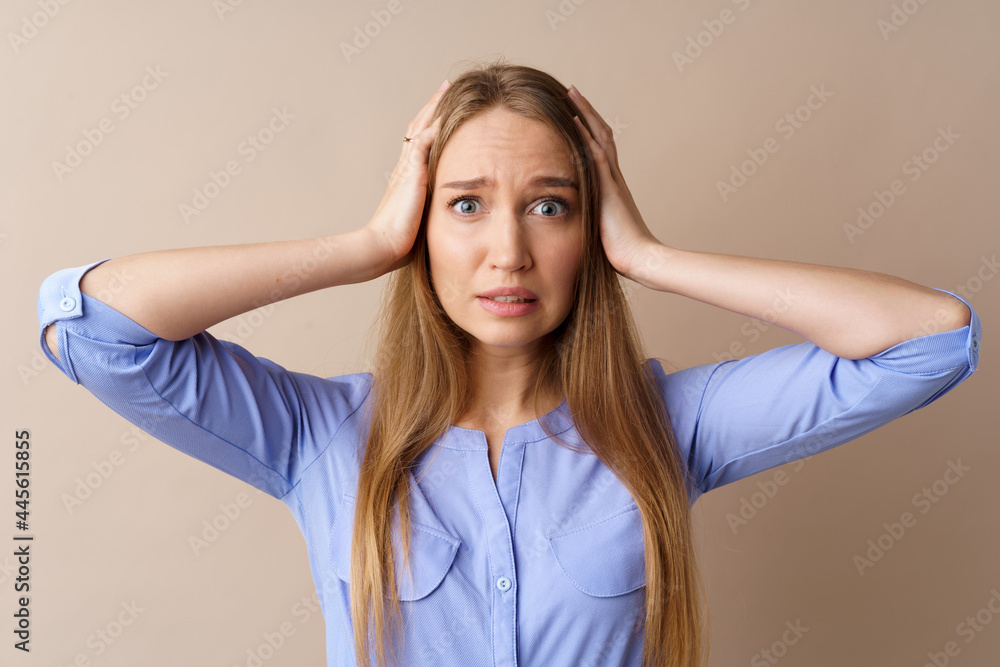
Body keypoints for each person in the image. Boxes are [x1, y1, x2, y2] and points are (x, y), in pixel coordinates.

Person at [36, 59, 981, 667]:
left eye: (549, 205)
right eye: (465, 205)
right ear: (423, 225)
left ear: (588, 227)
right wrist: (368, 243)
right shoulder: (321, 437)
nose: (508, 254)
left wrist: (648, 255)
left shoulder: (666, 427)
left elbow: (932, 337)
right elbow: (88, 323)